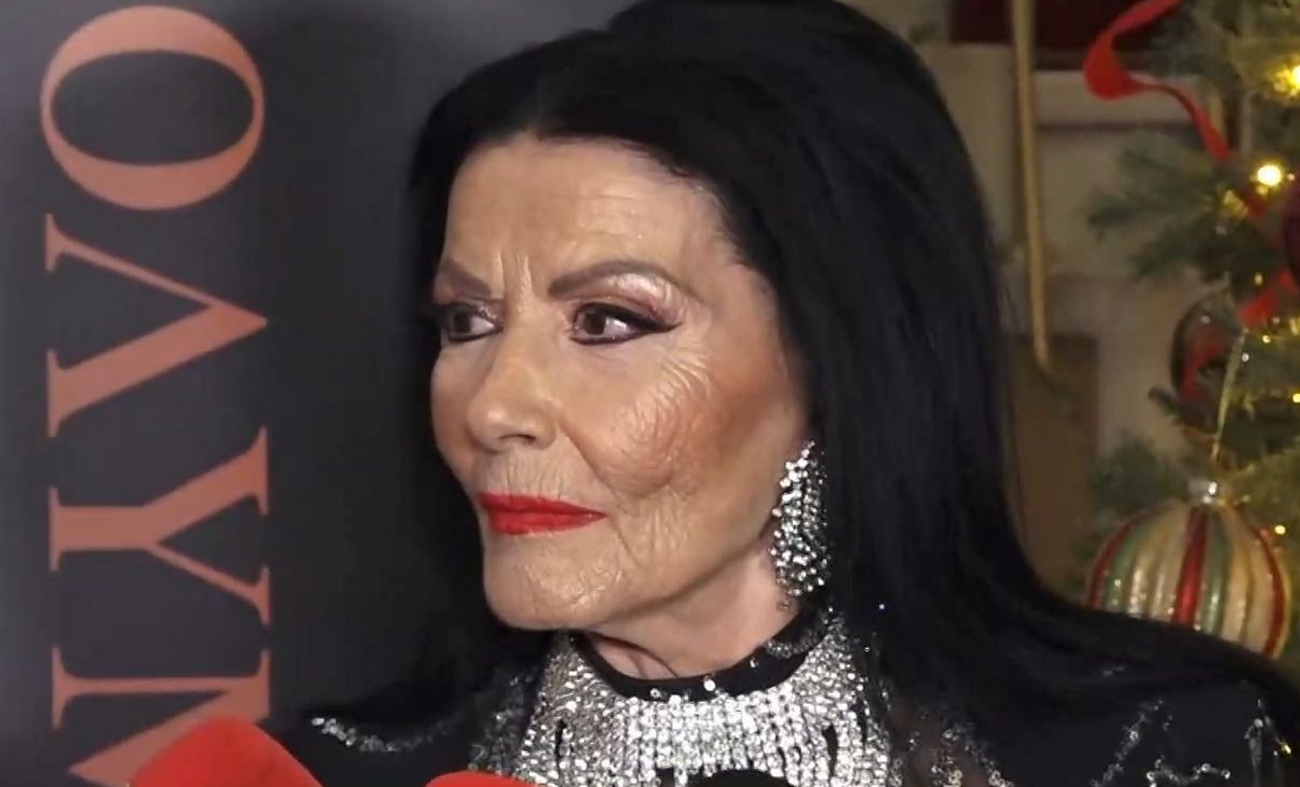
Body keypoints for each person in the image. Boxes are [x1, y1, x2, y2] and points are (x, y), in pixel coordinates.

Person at [275, 0, 1300, 784]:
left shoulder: (1160, 754)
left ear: (833, 357)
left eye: (608, 321)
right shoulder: (310, 776)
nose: (494, 406)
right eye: (468, 321)